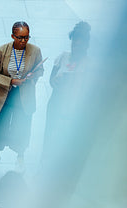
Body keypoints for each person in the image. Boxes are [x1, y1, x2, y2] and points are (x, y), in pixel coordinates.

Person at [0, 21, 44, 172]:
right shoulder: (1, 50)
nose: (24, 41)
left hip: (23, 94)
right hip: (5, 92)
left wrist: (32, 76)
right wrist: (11, 81)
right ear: (12, 36)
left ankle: (20, 156)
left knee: (22, 124)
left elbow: (40, 70)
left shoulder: (35, 51)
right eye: (20, 37)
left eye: (26, 37)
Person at [42, 21, 91, 161]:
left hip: (74, 108)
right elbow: (51, 80)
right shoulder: (62, 57)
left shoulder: (88, 65)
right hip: (56, 104)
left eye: (79, 45)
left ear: (86, 46)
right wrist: (56, 82)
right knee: (49, 137)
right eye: (74, 43)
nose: (75, 47)